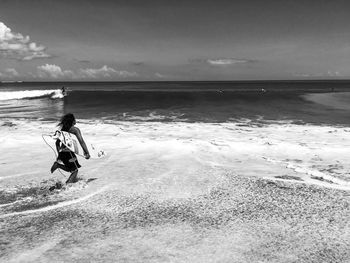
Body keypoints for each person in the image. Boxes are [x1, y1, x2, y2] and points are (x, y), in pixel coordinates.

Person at [50, 113, 90, 183]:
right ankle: (67, 185)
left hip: (62, 152)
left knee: (70, 169)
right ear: (72, 121)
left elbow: (57, 143)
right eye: (74, 119)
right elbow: (81, 142)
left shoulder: (62, 129)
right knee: (75, 170)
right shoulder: (75, 130)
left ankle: (58, 165)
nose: (75, 120)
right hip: (69, 153)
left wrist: (59, 154)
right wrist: (86, 152)